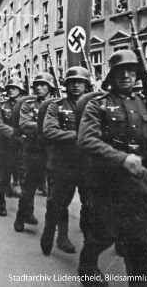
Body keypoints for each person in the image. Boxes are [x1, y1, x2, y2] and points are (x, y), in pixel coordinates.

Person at [77, 50, 147, 282]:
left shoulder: (144, 103)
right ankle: (87, 268)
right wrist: (122, 159)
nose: (126, 76)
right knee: (102, 236)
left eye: (131, 72)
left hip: (138, 184)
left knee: (139, 245)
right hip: (106, 182)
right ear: (111, 76)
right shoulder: (97, 105)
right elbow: (87, 140)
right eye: (120, 72)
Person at [40, 67, 92, 256]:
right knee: (57, 203)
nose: (76, 85)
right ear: (66, 85)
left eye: (80, 81)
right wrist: (77, 136)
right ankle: (52, 233)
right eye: (72, 81)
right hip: (64, 163)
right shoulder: (57, 106)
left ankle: (89, 247)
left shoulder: (93, 105)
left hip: (88, 164)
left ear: (86, 84)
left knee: (90, 205)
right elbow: (49, 131)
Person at [14, 72, 55, 233]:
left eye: (43, 84)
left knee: (54, 190)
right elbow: (24, 124)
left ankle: (51, 227)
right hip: (34, 149)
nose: (39, 87)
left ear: (50, 86)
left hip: (52, 150)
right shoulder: (28, 104)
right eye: (37, 85)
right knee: (29, 186)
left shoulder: (57, 103)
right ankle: (21, 216)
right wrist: (49, 128)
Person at [0, 77, 24, 216]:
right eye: (9, 88)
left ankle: (26, 209)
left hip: (24, 146)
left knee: (25, 178)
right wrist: (15, 133)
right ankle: (1, 204)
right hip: (5, 145)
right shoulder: (1, 105)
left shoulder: (27, 104)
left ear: (20, 90)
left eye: (14, 88)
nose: (11, 90)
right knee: (3, 177)